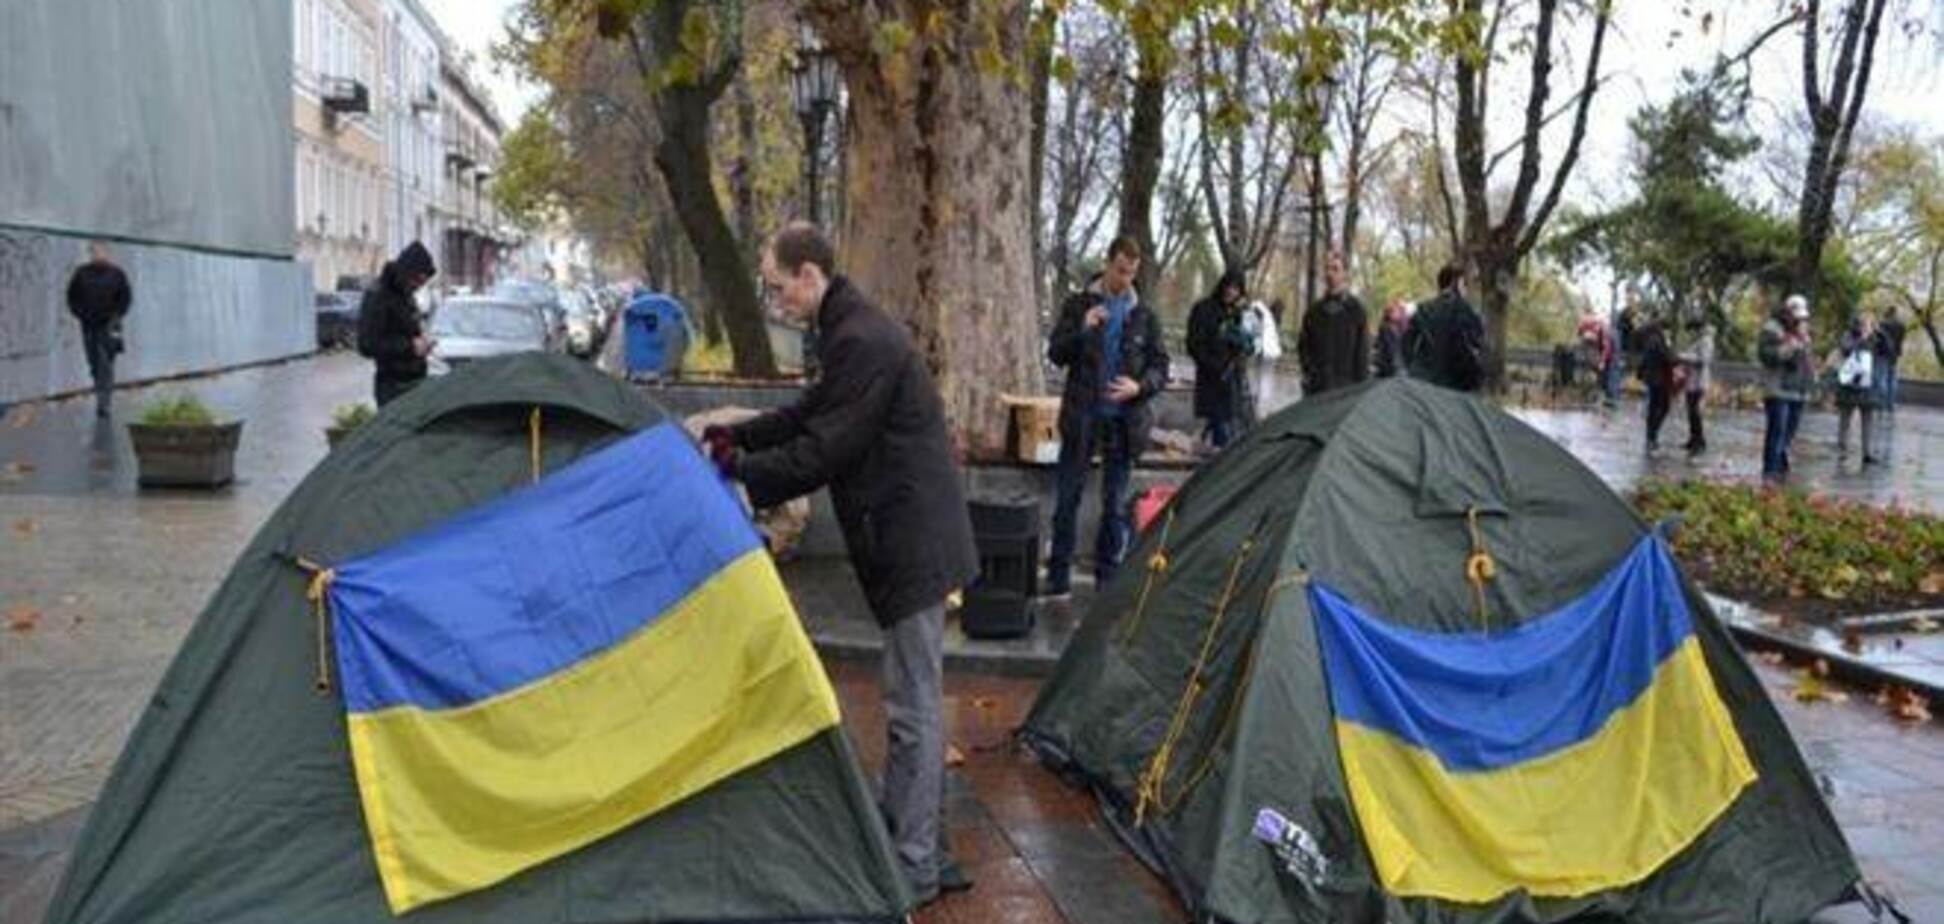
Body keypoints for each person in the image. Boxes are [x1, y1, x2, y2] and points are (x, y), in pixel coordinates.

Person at [702, 222, 978, 905]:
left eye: (779, 288)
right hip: (907, 534)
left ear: (810, 275)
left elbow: (827, 448)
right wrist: (738, 436)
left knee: (913, 707)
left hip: (912, 541)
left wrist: (744, 473)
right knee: (913, 699)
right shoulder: (848, 331)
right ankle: (922, 841)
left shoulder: (861, 339)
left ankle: (915, 865)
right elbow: (811, 412)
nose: (776, 302)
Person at [1045, 235, 1170, 597]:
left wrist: (1139, 387)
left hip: (1124, 421)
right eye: (1119, 270)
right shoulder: (1079, 304)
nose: (1124, 279)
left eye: (1131, 273)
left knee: (1114, 505)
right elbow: (1056, 353)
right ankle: (1058, 578)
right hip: (1082, 415)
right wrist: (1083, 328)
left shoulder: (1144, 316)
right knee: (1068, 498)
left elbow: (1160, 367)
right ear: (1107, 263)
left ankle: (1106, 583)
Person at [357, 241, 438, 406]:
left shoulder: (405, 293)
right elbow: (367, 344)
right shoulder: (378, 295)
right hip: (393, 386)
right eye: (418, 280)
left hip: (414, 381)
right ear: (407, 271)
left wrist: (422, 341)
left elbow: (406, 329)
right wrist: (410, 346)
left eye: (423, 283)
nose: (418, 286)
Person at [1185, 269, 1252, 449]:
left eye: (1236, 289)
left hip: (1232, 380)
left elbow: (1245, 345)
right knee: (1217, 428)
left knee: (1228, 429)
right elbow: (1194, 344)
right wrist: (1213, 365)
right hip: (1211, 378)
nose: (1231, 292)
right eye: (1229, 286)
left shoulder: (1238, 313)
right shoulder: (1204, 309)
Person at [66, 241, 133, 418]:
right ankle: (100, 393)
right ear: (90, 254)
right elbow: (71, 296)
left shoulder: (117, 274)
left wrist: (116, 316)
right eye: (95, 252)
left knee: (106, 363)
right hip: (88, 324)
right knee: (93, 362)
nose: (98, 254)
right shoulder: (81, 273)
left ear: (108, 253)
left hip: (109, 325)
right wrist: (80, 313)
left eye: (102, 251)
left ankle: (104, 403)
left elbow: (125, 298)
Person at [1758, 295, 1816, 482]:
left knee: (1789, 433)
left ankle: (1781, 467)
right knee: (1777, 431)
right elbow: (1766, 355)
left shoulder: (1803, 332)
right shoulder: (1772, 329)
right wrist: (1789, 348)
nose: (1800, 321)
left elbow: (1806, 360)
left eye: (1803, 318)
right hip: (1778, 388)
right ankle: (1770, 472)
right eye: (1797, 317)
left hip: (1798, 389)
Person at [1296, 250, 1369, 396]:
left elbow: (1362, 354)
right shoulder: (1313, 312)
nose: (1330, 273)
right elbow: (1303, 347)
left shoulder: (1356, 310)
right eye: (1327, 268)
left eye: (1335, 269)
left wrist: (1359, 389)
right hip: (1317, 389)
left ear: (1345, 273)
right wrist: (1311, 373)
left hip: (1345, 390)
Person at [1404, 262, 1486, 392]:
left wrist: (1413, 369)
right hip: (1455, 383)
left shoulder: (1423, 309)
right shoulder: (1464, 311)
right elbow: (1474, 345)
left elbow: (1406, 343)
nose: (1466, 290)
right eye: (1464, 284)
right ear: (1456, 283)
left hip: (1423, 381)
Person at [1833, 312, 1893, 465]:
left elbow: (1889, 351)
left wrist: (1882, 334)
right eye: (1865, 323)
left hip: (1868, 385)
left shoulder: (1877, 338)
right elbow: (1845, 349)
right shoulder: (1849, 334)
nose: (1868, 327)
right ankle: (1842, 449)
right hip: (1850, 384)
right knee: (1845, 418)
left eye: (1871, 324)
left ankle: (1867, 453)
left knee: (1868, 419)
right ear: (1859, 324)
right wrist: (1861, 339)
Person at [1634, 313, 1675, 452]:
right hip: (1661, 379)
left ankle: (1650, 437)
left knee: (1653, 408)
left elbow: (1645, 358)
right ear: (1664, 328)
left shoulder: (1651, 339)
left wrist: (1640, 373)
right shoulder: (1659, 341)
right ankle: (1652, 435)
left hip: (1652, 378)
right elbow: (1667, 358)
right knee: (1663, 407)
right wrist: (1678, 359)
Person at [1676, 320, 1715, 456]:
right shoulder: (1699, 340)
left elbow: (1703, 359)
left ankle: (1699, 441)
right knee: (1691, 412)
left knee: (1695, 412)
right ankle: (1693, 439)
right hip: (1692, 380)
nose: (1690, 334)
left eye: (1691, 330)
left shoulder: (1706, 341)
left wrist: (1684, 356)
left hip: (1698, 381)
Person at [1576, 311, 1619, 408]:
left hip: (1608, 351)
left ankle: (1611, 400)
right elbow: (1580, 334)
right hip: (1595, 352)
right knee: (1596, 375)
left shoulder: (1602, 329)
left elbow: (1606, 347)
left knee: (1609, 375)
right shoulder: (1584, 327)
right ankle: (1596, 396)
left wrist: (1602, 361)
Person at [1372, 299, 1410, 379]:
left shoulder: (1395, 326)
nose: (1399, 314)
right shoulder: (1386, 327)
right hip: (1390, 364)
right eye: (1396, 312)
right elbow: (1389, 347)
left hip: (1392, 363)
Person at [1881, 306, 1908, 411]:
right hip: (1895, 354)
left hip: (1883, 353)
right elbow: (1901, 339)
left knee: (1883, 377)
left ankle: (1882, 403)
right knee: (1892, 379)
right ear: (1895, 313)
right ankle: (1890, 403)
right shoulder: (1901, 325)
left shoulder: (1883, 324)